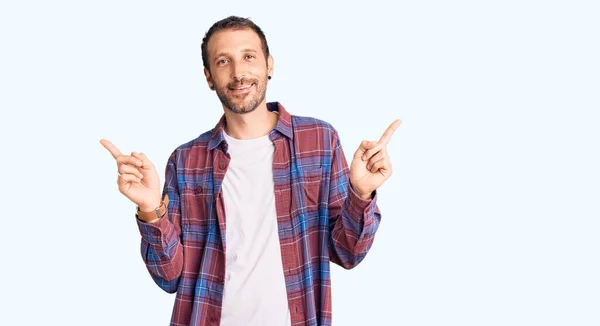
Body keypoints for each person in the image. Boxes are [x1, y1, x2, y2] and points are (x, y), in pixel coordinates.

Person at [101, 15, 401, 326]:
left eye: (248, 56)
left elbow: (347, 253)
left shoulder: (320, 141)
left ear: (269, 65)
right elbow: (169, 277)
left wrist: (362, 194)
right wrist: (151, 210)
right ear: (208, 77)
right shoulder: (186, 160)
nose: (238, 72)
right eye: (223, 61)